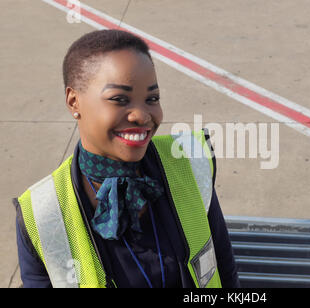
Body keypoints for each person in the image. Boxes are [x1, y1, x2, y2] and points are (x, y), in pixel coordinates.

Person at [13, 29, 240, 288]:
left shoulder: (188, 162)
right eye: (119, 99)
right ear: (74, 101)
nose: (142, 116)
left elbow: (223, 265)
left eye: (151, 99)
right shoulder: (42, 213)